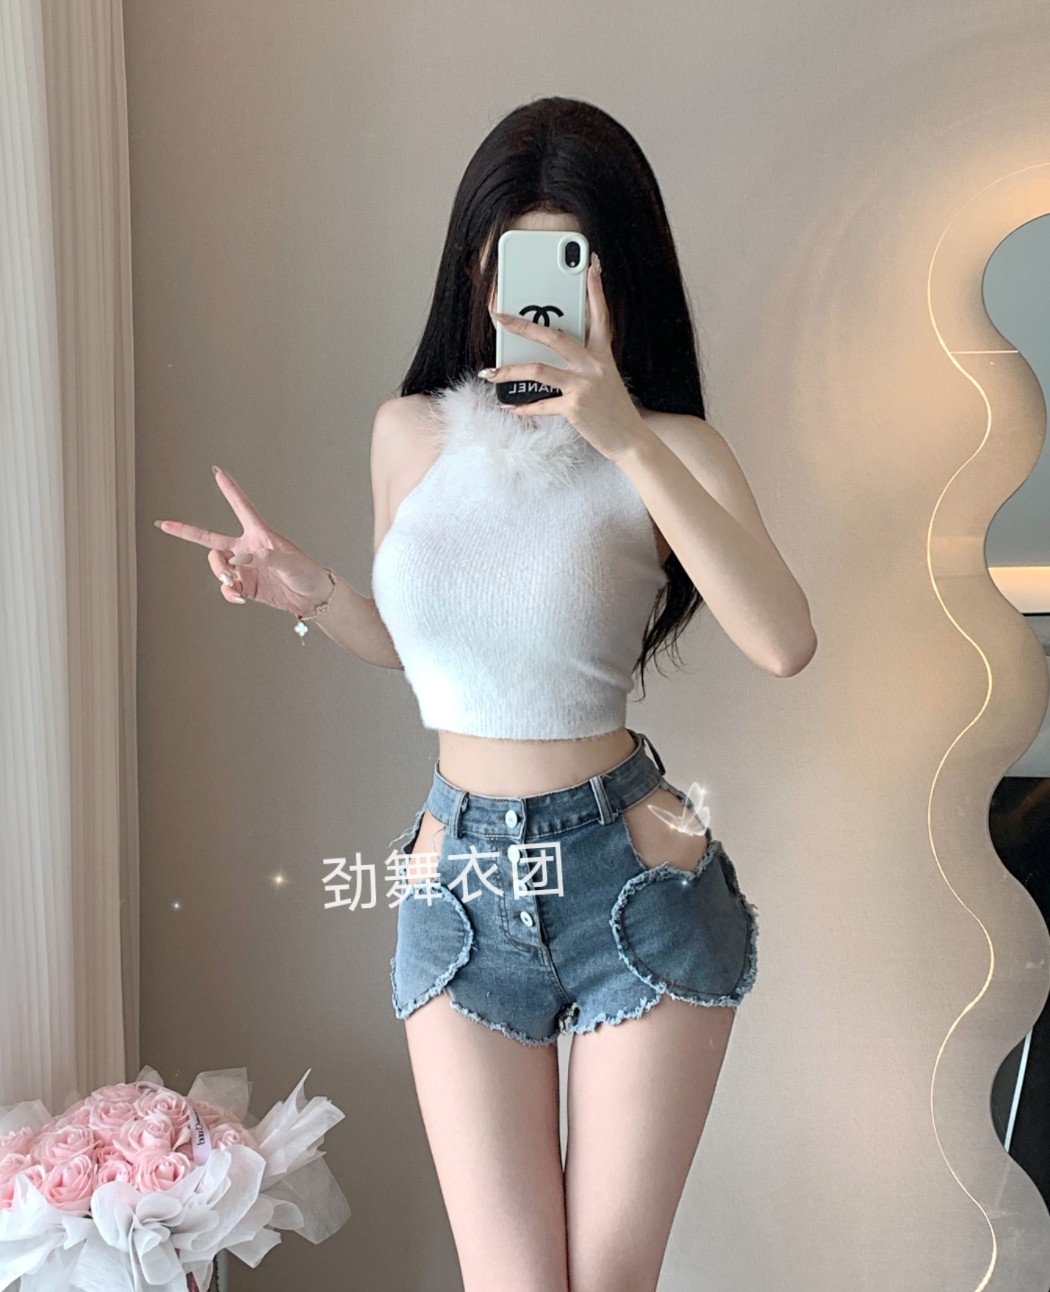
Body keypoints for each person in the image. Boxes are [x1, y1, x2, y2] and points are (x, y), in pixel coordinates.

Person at [157, 96, 816, 1292]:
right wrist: (313, 592)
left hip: (635, 873)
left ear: (619, 278)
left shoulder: (672, 446)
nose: (535, 302)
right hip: (458, 877)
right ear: (475, 270)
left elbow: (784, 640)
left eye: (572, 265)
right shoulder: (407, 433)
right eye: (513, 264)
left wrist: (623, 435)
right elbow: (438, 657)